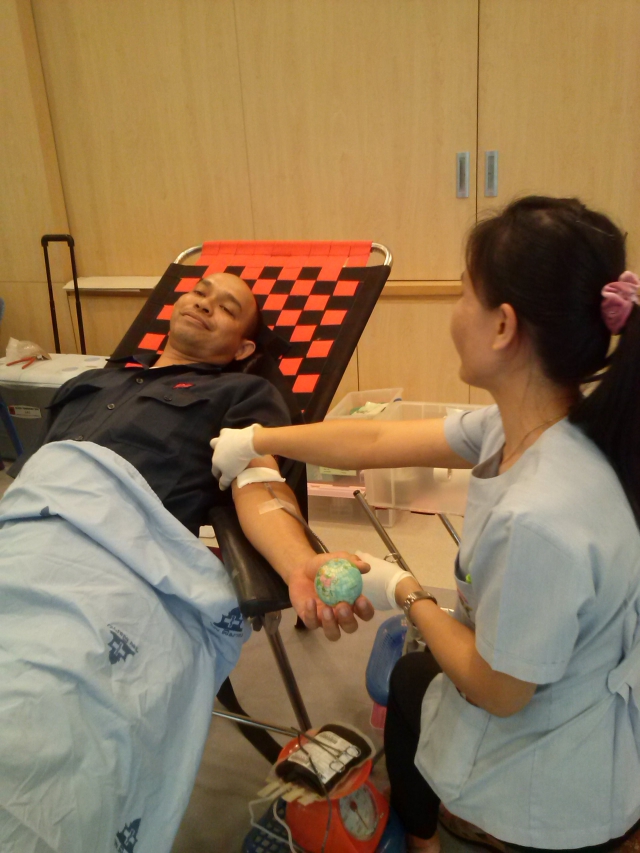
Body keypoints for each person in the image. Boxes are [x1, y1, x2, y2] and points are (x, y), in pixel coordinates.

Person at [211, 197, 640, 851]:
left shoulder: (540, 517)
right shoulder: (533, 425)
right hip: (560, 696)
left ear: (503, 326)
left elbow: (499, 691)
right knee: (413, 681)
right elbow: (376, 438)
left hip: (550, 794)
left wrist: (402, 588)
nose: (454, 313)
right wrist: (258, 439)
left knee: (421, 679)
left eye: (464, 293)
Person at [0, 272, 372, 853]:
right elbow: (35, 473)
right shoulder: (91, 379)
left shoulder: (241, 394)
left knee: (38, 713)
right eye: (201, 292)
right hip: (24, 532)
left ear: (242, 348)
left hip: (118, 557)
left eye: (228, 307)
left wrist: (298, 560)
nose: (205, 303)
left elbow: (258, 482)